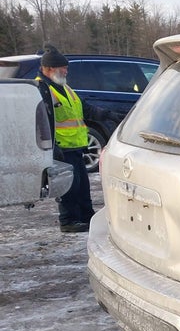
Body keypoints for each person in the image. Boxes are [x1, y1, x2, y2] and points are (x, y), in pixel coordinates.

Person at [35, 43, 119, 233]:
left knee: (82, 184)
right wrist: (51, 146)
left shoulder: (64, 87)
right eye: (62, 68)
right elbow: (41, 121)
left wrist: (107, 115)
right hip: (61, 148)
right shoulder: (42, 90)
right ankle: (69, 220)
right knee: (69, 187)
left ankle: (86, 216)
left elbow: (84, 108)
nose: (66, 71)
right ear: (49, 69)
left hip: (75, 145)